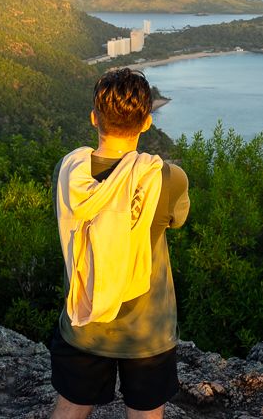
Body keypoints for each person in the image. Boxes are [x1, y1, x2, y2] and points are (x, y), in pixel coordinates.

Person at [50, 68, 190, 419]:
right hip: (146, 330)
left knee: (71, 409)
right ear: (146, 122)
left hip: (85, 323)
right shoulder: (167, 179)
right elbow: (177, 220)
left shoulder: (66, 172)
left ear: (93, 117)